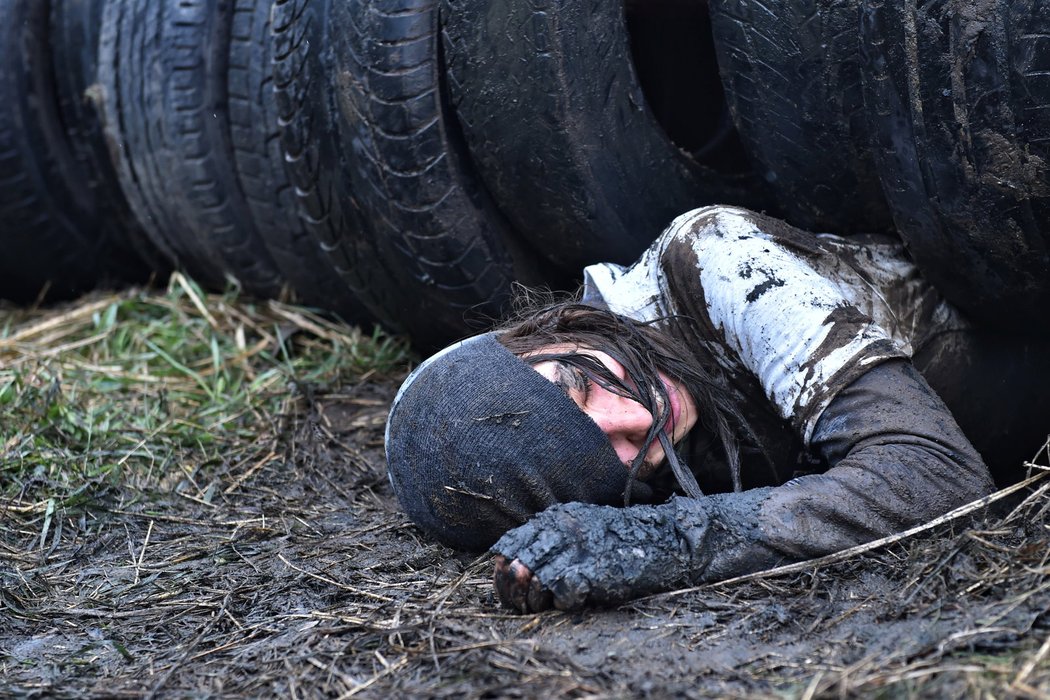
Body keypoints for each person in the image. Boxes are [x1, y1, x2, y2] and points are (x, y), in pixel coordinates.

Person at [384, 205, 1048, 613]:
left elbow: (938, 479)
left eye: (581, 386)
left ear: (551, 331)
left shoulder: (713, 261)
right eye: (609, 459)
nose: (639, 421)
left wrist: (662, 541)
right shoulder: (644, 462)